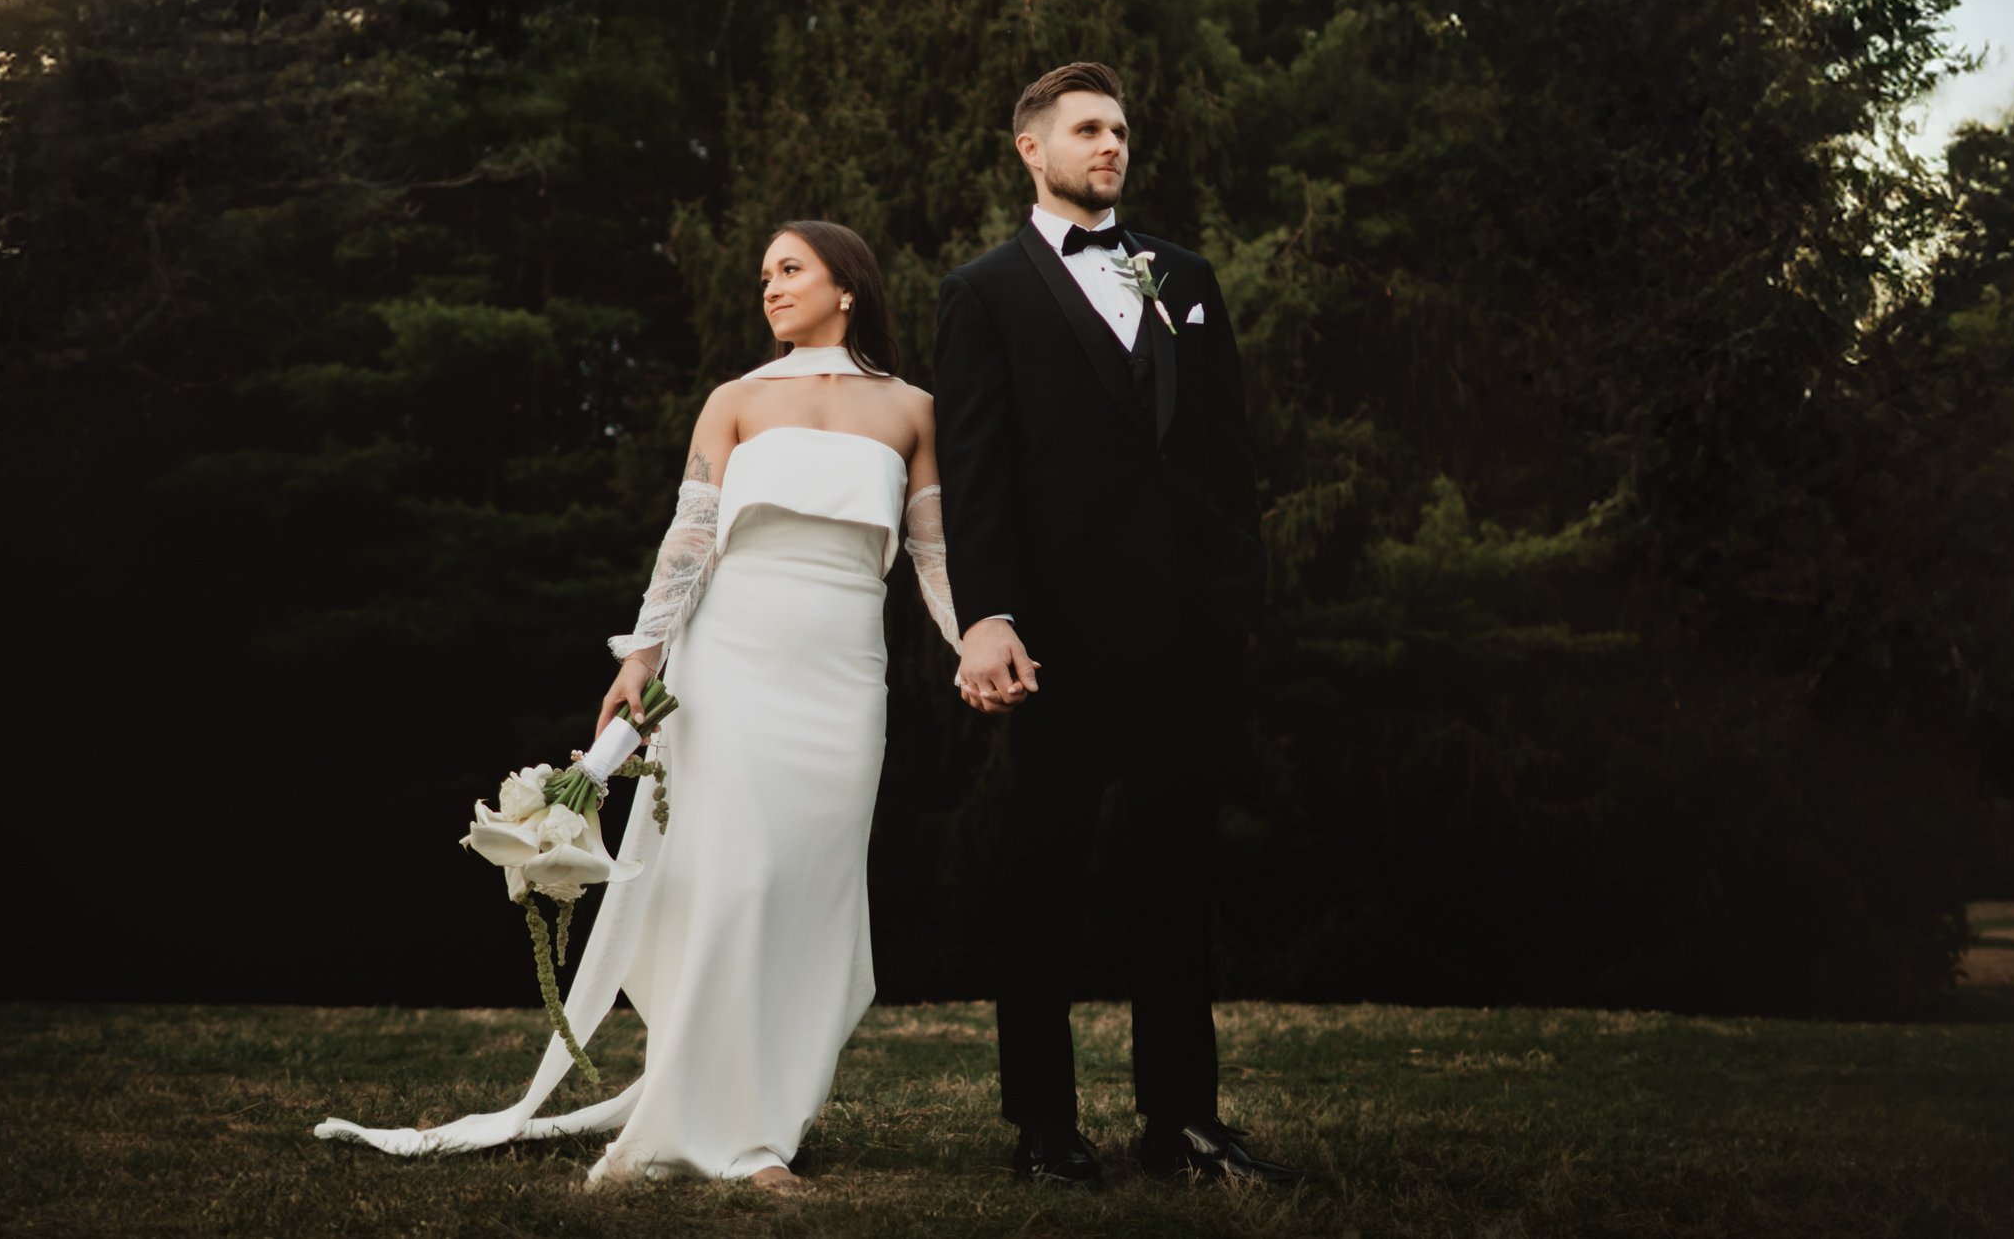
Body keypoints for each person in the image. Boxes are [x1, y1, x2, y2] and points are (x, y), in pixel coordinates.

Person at [316, 220, 960, 1190]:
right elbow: (689, 539)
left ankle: (768, 1110)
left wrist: (976, 642)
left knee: (810, 894)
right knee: (736, 879)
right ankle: (728, 1137)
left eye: (790, 269)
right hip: (733, 658)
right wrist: (644, 653)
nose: (770, 287)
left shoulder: (914, 409)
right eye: (763, 274)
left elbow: (934, 554)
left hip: (842, 675)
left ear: (849, 286)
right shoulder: (734, 400)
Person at [933, 60, 1301, 1189]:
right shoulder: (983, 291)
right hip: (1056, 637)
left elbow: (1227, 446)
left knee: (1177, 875)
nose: (1111, 146)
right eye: (1088, 128)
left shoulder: (1184, 276)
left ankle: (1182, 1122)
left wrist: (1236, 590)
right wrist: (987, 617)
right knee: (1042, 878)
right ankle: (1044, 1129)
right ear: (1030, 149)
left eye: (1121, 131)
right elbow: (976, 473)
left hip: (1188, 630)